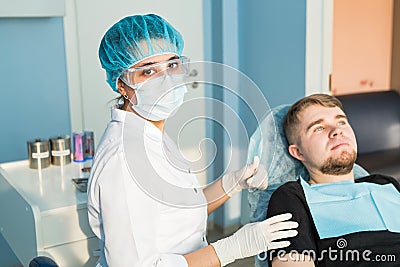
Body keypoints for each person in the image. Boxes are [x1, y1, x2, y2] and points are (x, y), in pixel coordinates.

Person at [87, 14, 298, 267]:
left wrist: (232, 183)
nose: (165, 80)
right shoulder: (125, 161)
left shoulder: (150, 134)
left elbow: (178, 210)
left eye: (173, 65)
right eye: (148, 71)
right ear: (122, 84)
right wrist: (231, 248)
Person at [265, 94, 400, 266]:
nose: (337, 130)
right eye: (319, 128)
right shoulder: (292, 197)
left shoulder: (384, 183)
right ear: (298, 152)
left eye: (341, 122)